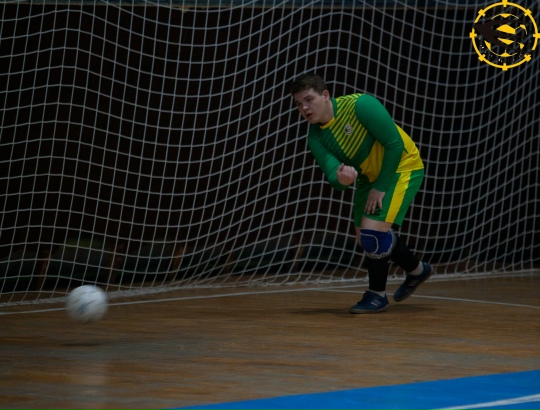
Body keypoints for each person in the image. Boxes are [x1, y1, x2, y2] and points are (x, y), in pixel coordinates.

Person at [290, 73, 432, 313]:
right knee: (366, 240)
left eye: (308, 100)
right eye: (298, 104)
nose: (304, 108)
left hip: (402, 165)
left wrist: (381, 187)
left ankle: (377, 296)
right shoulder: (315, 137)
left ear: (325, 95)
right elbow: (334, 178)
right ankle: (417, 270)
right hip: (369, 176)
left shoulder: (360, 105)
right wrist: (342, 179)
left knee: (372, 235)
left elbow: (394, 144)